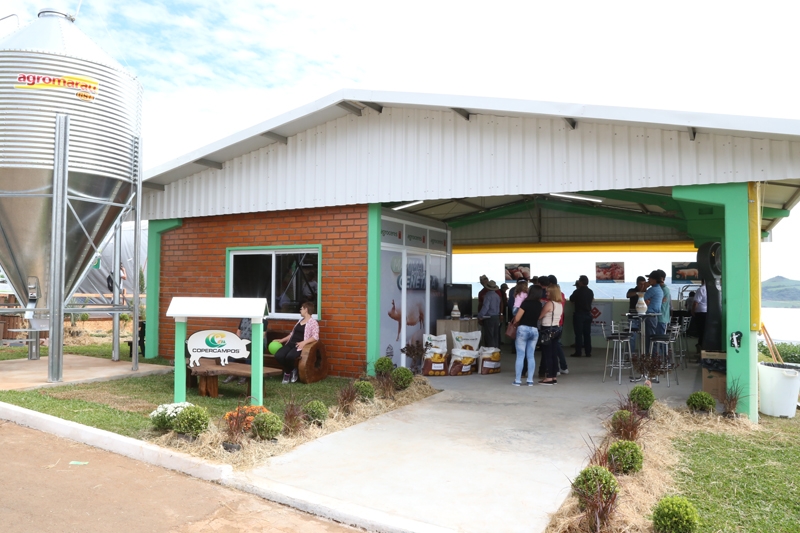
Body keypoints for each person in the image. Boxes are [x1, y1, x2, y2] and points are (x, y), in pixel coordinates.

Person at [275, 302, 319, 384]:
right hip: (290, 343)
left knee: (290, 357)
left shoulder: (313, 322)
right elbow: (292, 334)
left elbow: (315, 337)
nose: (300, 311)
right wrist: (282, 340)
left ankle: (287, 373)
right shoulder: (300, 321)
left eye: (301, 309)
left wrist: (303, 342)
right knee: (278, 355)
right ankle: (292, 370)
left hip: (299, 345)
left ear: (306, 310)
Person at [511, 286, 542, 386]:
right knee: (531, 356)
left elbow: (517, 318)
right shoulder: (539, 304)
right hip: (534, 330)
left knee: (520, 356)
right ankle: (530, 380)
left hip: (523, 329)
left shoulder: (526, 303)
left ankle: (518, 380)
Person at [538, 285, 563, 385]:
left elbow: (540, 316)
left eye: (548, 292)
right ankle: (553, 376)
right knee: (553, 354)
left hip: (547, 330)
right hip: (556, 329)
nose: (546, 293)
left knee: (547, 354)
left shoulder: (549, 304)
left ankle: (548, 377)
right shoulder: (559, 304)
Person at [223, 317, 258, 385]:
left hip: (254, 342)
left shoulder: (261, 320)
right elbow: (238, 332)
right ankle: (232, 374)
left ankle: (245, 376)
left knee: (249, 352)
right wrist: (237, 341)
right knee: (231, 351)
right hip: (242, 342)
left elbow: (262, 336)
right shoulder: (244, 319)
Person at [569, 275, 594, 357]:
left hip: (579, 314)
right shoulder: (590, 291)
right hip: (588, 314)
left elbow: (571, 299)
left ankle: (578, 352)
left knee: (578, 334)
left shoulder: (577, 292)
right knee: (587, 334)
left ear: (580, 282)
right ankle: (588, 352)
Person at [477, 280, 501, 348]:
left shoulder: (487, 296)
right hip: (496, 317)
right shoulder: (497, 296)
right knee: (495, 335)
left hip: (489, 317)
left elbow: (485, 307)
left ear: (487, 288)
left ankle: (490, 352)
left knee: (489, 336)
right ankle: (496, 351)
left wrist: (480, 315)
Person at [692, 280, 708, 351]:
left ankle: (700, 346)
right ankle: (703, 346)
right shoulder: (712, 289)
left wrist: (692, 311)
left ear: (702, 281)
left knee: (700, 331)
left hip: (700, 312)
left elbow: (696, 302)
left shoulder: (701, 289)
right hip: (708, 312)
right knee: (705, 331)